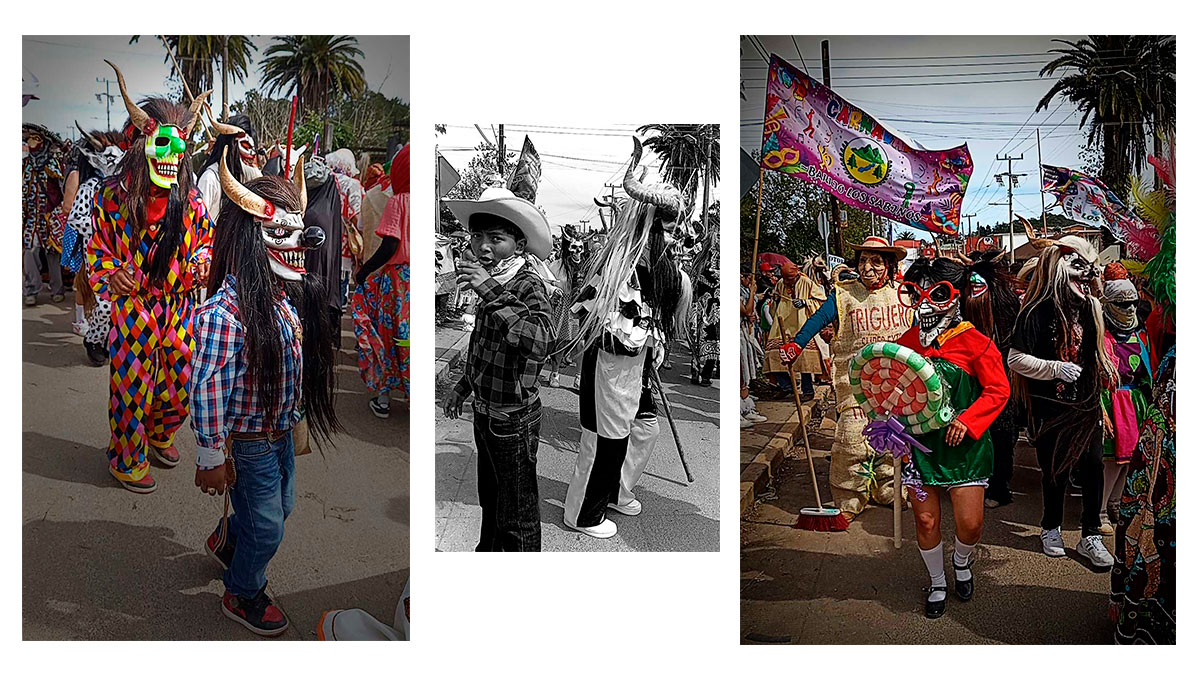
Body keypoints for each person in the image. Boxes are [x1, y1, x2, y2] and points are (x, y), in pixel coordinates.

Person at [193, 151, 340, 636]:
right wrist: (210, 454)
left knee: (283, 507)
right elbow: (208, 388)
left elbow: (294, 366)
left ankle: (231, 540)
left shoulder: (283, 300)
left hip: (279, 433)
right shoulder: (224, 315)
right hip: (250, 443)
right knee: (269, 526)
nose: (301, 242)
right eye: (280, 233)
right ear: (250, 239)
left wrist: (298, 414)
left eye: (299, 231)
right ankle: (243, 590)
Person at [88, 61, 213, 492]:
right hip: (134, 306)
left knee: (182, 380)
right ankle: (126, 458)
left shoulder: (192, 202)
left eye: (179, 148)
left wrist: (202, 261)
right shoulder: (111, 198)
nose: (171, 156)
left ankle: (160, 432)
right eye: (163, 145)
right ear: (143, 144)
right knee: (131, 386)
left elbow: (206, 243)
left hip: (179, 305)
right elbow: (96, 249)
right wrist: (110, 274)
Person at [562, 138, 690, 539]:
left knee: (641, 429)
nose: (676, 240)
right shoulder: (622, 267)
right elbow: (605, 322)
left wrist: (653, 344)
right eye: (669, 230)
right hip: (613, 362)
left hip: (631, 365)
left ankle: (615, 491)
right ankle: (584, 514)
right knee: (605, 438)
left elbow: (655, 314)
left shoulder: (652, 267)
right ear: (651, 228)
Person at [889, 256, 1010, 619]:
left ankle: (961, 560)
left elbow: (998, 390)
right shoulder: (905, 343)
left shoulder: (976, 342)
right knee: (925, 521)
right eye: (916, 294)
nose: (925, 304)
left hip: (966, 451)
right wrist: (891, 425)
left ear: (957, 295)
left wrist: (968, 421)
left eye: (937, 294)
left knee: (970, 524)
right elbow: (892, 391)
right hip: (919, 450)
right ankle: (937, 581)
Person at [441, 186, 554, 551]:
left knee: (517, 517)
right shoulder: (492, 281)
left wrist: (489, 290)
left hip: (513, 421)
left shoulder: (527, 284)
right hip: (485, 415)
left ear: (519, 246)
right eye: (477, 237)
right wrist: (463, 387)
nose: (483, 247)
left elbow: (542, 341)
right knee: (491, 504)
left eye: (496, 239)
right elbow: (485, 346)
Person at [781, 236, 912, 519]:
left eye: (876, 262)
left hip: (896, 384)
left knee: (892, 441)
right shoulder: (843, 295)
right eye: (863, 261)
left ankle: (889, 488)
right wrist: (796, 344)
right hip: (855, 384)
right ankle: (849, 497)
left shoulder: (904, 295)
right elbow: (818, 319)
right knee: (850, 440)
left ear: (889, 266)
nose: (867, 267)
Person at [1008, 235, 1117, 567]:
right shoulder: (1036, 311)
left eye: (1089, 267)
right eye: (1078, 266)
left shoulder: (1090, 308)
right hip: (1050, 408)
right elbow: (1015, 359)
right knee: (1055, 471)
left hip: (1086, 406)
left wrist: (1102, 391)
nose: (1086, 274)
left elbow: (1094, 354)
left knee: (1094, 466)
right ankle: (1050, 527)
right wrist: (1053, 368)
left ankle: (1090, 535)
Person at [60, 123, 126, 366]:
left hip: (121, 254)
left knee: (120, 302)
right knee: (106, 303)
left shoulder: (122, 189)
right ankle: (94, 339)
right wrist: (103, 231)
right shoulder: (90, 187)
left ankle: (108, 340)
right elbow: (76, 218)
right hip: (96, 253)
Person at [353, 146, 411, 418]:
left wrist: (365, 271)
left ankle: (384, 399)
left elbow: (390, 246)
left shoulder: (399, 202)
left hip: (398, 283)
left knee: (388, 337)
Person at [1098, 276, 1153, 535]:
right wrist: (1101, 409)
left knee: (1128, 460)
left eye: (1133, 303)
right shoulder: (1099, 334)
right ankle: (1099, 510)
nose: (1130, 308)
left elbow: (1146, 371)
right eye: (1122, 304)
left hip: (1135, 403)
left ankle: (1115, 502)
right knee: (1111, 461)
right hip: (1111, 401)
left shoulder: (1140, 335)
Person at [764, 259, 826, 399]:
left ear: (797, 274)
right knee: (773, 354)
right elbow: (774, 302)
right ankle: (787, 386)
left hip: (801, 324)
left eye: (790, 279)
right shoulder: (780, 283)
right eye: (786, 279)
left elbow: (821, 301)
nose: (788, 282)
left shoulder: (807, 282)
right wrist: (775, 300)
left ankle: (808, 391)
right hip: (782, 324)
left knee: (803, 358)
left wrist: (805, 302)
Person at [22, 123, 66, 306]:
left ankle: (57, 289)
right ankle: (31, 289)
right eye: (29, 139)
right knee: (30, 251)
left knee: (53, 254)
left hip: (50, 218)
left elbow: (63, 190)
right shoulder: (24, 165)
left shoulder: (54, 165)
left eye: (36, 139)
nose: (32, 142)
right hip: (31, 219)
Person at [196, 107, 261, 223]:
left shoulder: (244, 178)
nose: (251, 154)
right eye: (245, 146)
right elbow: (198, 224)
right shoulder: (210, 179)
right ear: (231, 146)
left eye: (253, 149)